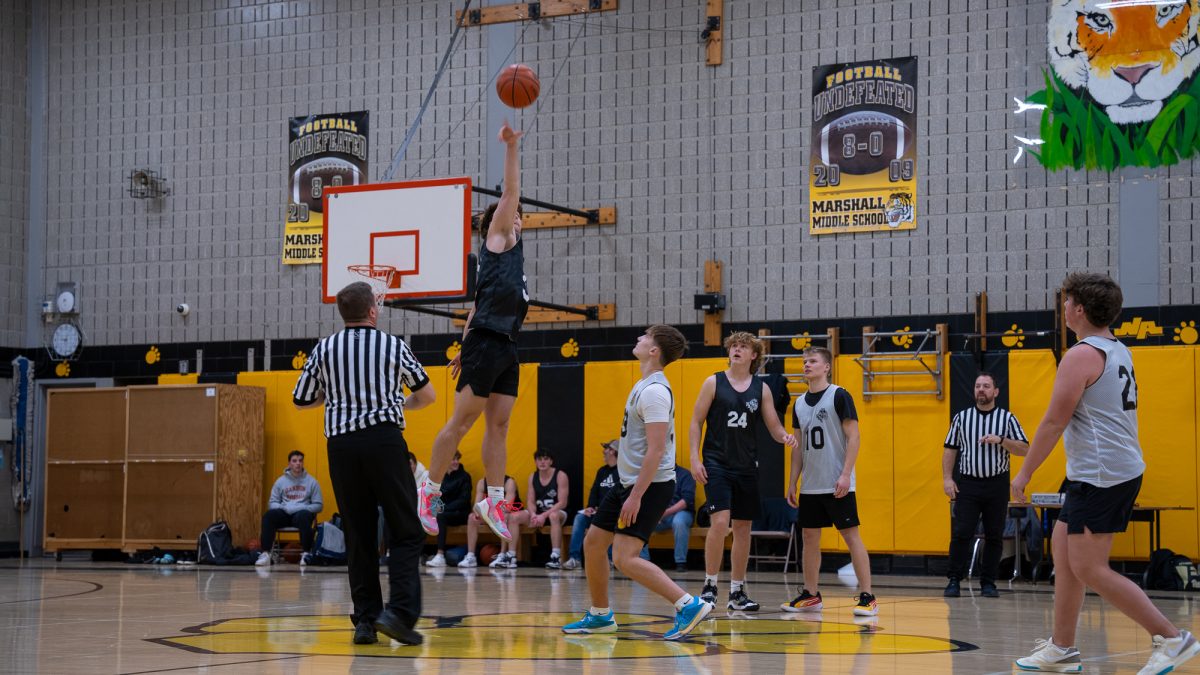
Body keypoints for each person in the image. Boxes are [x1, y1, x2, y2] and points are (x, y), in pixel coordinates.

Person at [1012, 272, 1199, 674]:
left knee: (1088, 567)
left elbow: (1052, 423)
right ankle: (1062, 648)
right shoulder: (1117, 349)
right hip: (1106, 470)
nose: (1063, 307)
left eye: (1066, 301)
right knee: (1063, 551)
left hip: (1102, 475)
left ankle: (1171, 638)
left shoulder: (1080, 355)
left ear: (1079, 308)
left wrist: (1023, 474)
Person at [292, 281, 436, 647]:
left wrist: (334, 395)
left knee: (359, 534)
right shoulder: (392, 345)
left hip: (341, 446)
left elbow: (300, 398)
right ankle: (400, 614)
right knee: (406, 531)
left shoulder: (324, 348)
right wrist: (399, 404)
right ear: (373, 310)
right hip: (385, 442)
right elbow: (427, 394)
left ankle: (365, 621)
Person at [561, 325, 715, 641]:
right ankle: (601, 615)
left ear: (654, 350)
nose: (639, 340)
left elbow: (658, 450)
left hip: (649, 486)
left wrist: (636, 496)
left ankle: (688, 604)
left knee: (624, 557)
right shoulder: (646, 384)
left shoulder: (655, 392)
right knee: (592, 543)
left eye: (644, 337)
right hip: (627, 483)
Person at [418, 122, 528, 543]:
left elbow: (477, 308)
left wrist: (463, 347)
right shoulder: (497, 241)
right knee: (462, 422)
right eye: (511, 217)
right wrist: (512, 148)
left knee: (499, 426)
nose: (517, 221)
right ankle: (429, 491)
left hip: (502, 345)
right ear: (497, 223)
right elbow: (510, 194)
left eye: (519, 220)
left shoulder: (513, 263)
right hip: (488, 343)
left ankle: (495, 498)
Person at [689, 332, 797, 611]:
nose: (737, 349)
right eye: (734, 346)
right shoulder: (713, 382)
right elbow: (695, 421)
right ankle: (710, 585)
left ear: (753, 355)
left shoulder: (761, 389)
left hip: (746, 466)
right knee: (720, 522)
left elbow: (774, 425)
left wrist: (785, 436)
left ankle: (737, 592)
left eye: (743, 346)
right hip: (716, 463)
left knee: (743, 527)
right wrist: (693, 458)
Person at [781, 346, 878, 617]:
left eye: (812, 361)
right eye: (804, 361)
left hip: (837, 481)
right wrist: (792, 482)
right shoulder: (798, 403)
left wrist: (846, 474)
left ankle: (868, 596)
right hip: (811, 484)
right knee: (809, 537)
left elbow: (854, 437)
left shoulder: (839, 395)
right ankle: (811, 595)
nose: (806, 365)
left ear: (826, 367)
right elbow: (798, 448)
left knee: (851, 536)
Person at [941, 371, 1029, 598]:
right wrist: (947, 478)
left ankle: (988, 583)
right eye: (978, 385)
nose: (981, 389)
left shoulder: (1007, 419)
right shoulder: (962, 418)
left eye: (986, 386)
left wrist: (1001, 440)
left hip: (996, 484)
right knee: (961, 533)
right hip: (968, 484)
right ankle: (953, 580)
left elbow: (1024, 448)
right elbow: (950, 448)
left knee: (994, 535)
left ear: (995, 391)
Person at [255, 450, 324, 567]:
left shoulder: (312, 482)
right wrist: (284, 507)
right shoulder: (280, 482)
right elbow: (272, 503)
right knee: (268, 516)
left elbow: (318, 505)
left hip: (301, 514)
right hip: (285, 513)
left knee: (305, 515)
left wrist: (302, 507)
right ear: (289, 464)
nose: (298, 463)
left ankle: (306, 553)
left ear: (303, 463)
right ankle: (266, 554)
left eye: (300, 461)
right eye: (294, 461)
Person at [564, 439, 621, 570]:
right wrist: (590, 506)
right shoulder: (602, 471)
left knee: (612, 520)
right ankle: (575, 558)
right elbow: (594, 490)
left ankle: (611, 559)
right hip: (598, 512)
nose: (603, 451)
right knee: (580, 518)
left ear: (613, 451)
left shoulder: (622, 471)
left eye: (606, 448)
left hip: (613, 512)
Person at [508, 449, 569, 569]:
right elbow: (530, 501)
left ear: (551, 461)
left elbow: (562, 503)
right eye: (539, 459)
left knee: (554, 516)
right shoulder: (532, 476)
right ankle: (511, 556)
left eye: (546, 459)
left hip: (557, 513)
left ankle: (556, 557)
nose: (542, 462)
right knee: (513, 517)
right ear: (535, 462)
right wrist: (534, 514)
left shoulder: (560, 475)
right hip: (538, 514)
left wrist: (543, 515)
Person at [638, 464, 696, 572]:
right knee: (642, 521)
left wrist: (663, 513)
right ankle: (643, 561)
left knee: (679, 522)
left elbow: (686, 500)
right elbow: (648, 497)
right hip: (659, 514)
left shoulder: (685, 475)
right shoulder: (655, 475)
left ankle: (681, 562)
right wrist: (654, 513)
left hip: (681, 512)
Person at [457, 475, 521, 569]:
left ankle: (502, 554)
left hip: (509, 515)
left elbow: (507, 507)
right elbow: (476, 507)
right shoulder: (482, 482)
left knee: (503, 516)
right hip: (492, 514)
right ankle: (471, 556)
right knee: (472, 517)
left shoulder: (509, 482)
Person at [425, 451, 472, 568]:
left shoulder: (465, 477)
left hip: (461, 513)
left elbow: (464, 500)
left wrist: (443, 508)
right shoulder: (441, 477)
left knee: (441, 516)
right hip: (445, 512)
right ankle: (418, 553)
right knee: (425, 515)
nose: (456, 462)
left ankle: (440, 555)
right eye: (453, 459)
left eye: (457, 459)